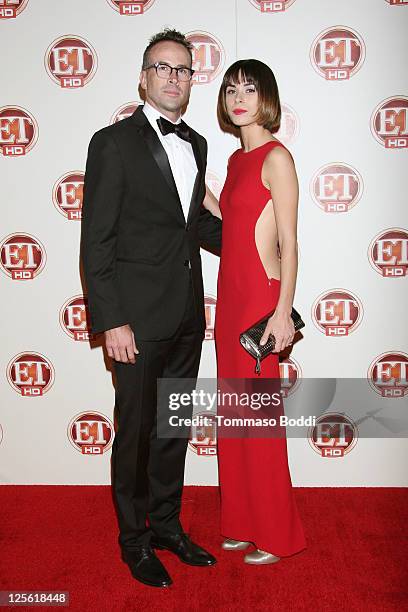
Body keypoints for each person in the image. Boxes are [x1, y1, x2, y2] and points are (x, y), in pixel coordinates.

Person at [80, 28, 222, 588]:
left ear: (191, 81)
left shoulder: (198, 143)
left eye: (183, 70)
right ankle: (133, 541)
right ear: (143, 77)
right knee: (136, 433)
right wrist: (111, 319)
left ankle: (166, 526)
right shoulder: (112, 143)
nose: (173, 77)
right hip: (135, 323)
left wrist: (261, 244)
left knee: (172, 430)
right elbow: (98, 241)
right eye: (162, 68)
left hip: (188, 316)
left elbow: (195, 226)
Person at [210, 59, 307, 564]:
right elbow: (232, 220)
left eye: (249, 88)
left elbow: (289, 243)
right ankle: (242, 522)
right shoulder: (233, 161)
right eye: (230, 90)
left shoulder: (277, 158)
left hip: (261, 301)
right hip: (229, 300)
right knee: (235, 417)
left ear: (266, 96)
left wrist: (282, 312)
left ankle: (277, 534)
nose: (239, 97)